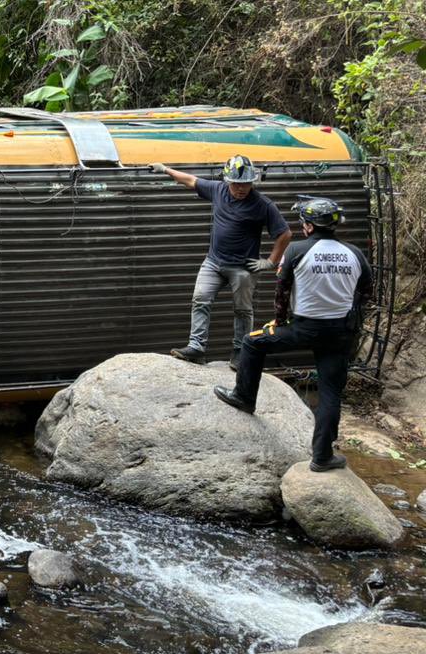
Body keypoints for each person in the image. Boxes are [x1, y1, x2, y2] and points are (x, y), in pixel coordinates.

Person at [214, 197, 373, 472]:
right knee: (330, 394)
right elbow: (366, 292)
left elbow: (282, 290)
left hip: (303, 328)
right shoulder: (355, 253)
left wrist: (278, 321)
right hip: (340, 332)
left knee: (252, 343)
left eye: (303, 222)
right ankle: (322, 457)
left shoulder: (296, 250)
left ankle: (244, 397)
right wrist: (350, 319)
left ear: (309, 226)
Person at [153, 155, 291, 367]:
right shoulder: (218, 190)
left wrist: (271, 261)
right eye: (236, 183)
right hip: (214, 263)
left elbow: (284, 234)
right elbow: (190, 180)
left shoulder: (263, 205)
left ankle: (240, 352)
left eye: (246, 184)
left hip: (243, 268)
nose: (241, 188)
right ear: (228, 181)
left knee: (243, 310)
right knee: (200, 298)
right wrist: (165, 170)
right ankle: (197, 347)